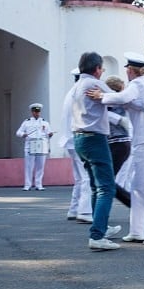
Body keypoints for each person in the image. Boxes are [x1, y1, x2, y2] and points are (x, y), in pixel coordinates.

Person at [88, 52, 144, 245]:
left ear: (131, 70)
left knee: (143, 189)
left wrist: (101, 96)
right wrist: (141, 105)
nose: (125, 71)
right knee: (136, 188)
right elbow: (130, 101)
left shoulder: (138, 84)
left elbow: (123, 97)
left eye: (127, 68)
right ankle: (136, 231)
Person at [70, 52, 122, 251]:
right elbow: (118, 99)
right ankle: (97, 235)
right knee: (107, 188)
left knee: (95, 186)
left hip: (80, 139)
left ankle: (100, 227)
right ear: (97, 68)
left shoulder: (76, 86)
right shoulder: (95, 84)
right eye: (102, 68)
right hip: (95, 139)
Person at [60, 68, 94, 223]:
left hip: (69, 140)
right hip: (78, 138)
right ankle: (85, 211)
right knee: (87, 176)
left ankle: (74, 209)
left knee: (80, 177)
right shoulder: (79, 93)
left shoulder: (70, 93)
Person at [104, 76, 134, 208]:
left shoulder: (114, 100)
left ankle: (134, 203)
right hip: (118, 143)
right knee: (108, 179)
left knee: (107, 180)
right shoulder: (115, 99)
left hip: (119, 143)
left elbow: (107, 115)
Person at [15, 103, 53, 190]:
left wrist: (50, 134)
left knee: (40, 166)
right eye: (35, 111)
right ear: (32, 112)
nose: (37, 113)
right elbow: (18, 132)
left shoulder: (45, 122)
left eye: (38, 111)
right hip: (30, 146)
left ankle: (38, 184)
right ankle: (27, 185)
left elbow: (48, 133)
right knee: (29, 166)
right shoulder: (26, 122)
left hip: (41, 146)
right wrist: (23, 134)